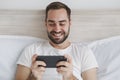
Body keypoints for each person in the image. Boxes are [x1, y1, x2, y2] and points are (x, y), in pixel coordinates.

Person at [15, 1, 98, 80]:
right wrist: (34, 78)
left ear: (69, 23)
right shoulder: (31, 50)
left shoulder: (84, 52)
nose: (57, 29)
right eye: (51, 24)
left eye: (62, 23)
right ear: (46, 24)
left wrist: (70, 77)